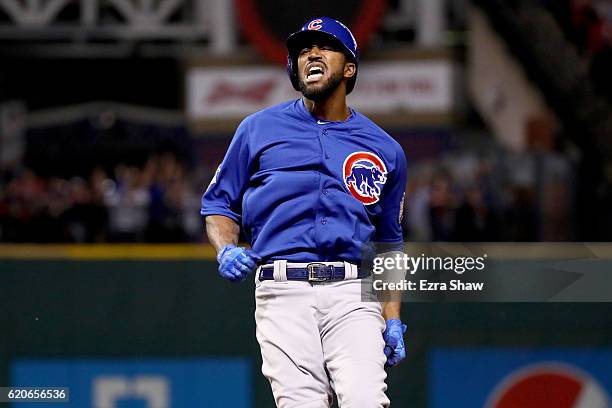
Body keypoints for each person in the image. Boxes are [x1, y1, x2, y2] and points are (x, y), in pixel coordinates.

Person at [201, 17, 408, 408]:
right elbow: (218, 204)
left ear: (349, 68)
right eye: (302, 49)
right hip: (283, 290)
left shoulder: (385, 148)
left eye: (324, 46)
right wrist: (225, 248)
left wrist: (392, 317)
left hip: (354, 292)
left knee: (366, 400)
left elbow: (389, 245)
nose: (310, 53)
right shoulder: (256, 129)